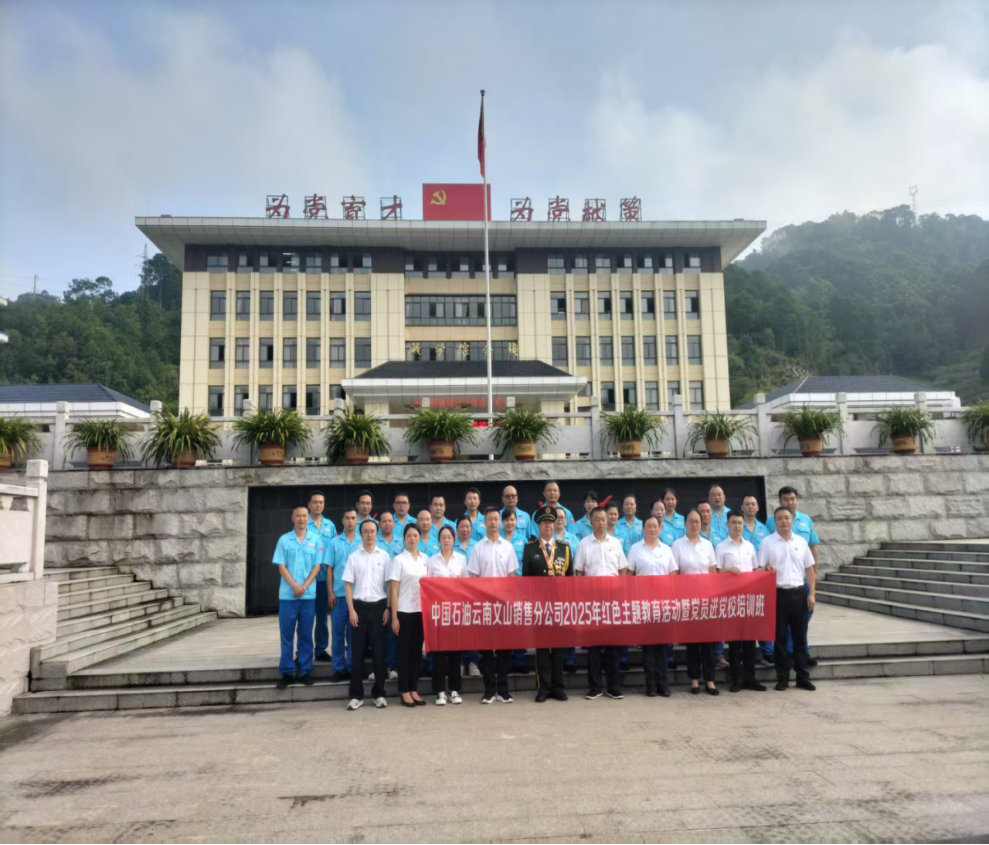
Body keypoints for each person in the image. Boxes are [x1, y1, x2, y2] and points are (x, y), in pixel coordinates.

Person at [759, 506, 817, 692]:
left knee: (800, 638)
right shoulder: (767, 543)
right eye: (780, 518)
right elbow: (759, 569)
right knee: (780, 639)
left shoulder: (801, 542)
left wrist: (812, 594)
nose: (784, 521)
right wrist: (767, 567)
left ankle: (802, 677)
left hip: (799, 593)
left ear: (792, 520)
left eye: (787, 518)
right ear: (774, 521)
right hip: (778, 594)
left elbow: (810, 570)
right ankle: (782, 678)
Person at [575, 506, 628, 701]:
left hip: (612, 600)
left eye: (603, 519)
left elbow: (622, 569)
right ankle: (595, 687)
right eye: (597, 519)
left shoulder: (615, 543)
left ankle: (614, 687)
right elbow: (579, 571)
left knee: (613, 647)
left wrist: (620, 591)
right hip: (593, 602)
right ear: (591, 522)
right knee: (594, 647)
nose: (601, 522)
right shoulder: (584, 544)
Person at [467, 506, 519, 704]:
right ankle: (489, 690)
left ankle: (503, 690)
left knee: (505, 649)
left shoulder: (508, 547)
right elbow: (475, 578)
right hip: (485, 606)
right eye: (490, 519)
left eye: (496, 519)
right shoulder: (478, 548)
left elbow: (511, 577)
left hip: (504, 605)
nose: (493, 522)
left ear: (500, 522)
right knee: (487, 650)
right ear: (484, 522)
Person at [766, 486, 820, 667]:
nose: (789, 502)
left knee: (803, 620)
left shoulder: (806, 520)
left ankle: (801, 652)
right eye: (786, 499)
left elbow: (813, 547)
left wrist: (814, 574)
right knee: (782, 625)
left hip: (802, 581)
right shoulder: (771, 521)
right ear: (780, 501)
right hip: (780, 585)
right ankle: (790, 652)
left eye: (792, 499)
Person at [522, 506, 572, 702]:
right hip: (540, 607)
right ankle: (543, 688)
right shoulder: (530, 549)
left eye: (551, 522)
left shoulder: (564, 548)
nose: (548, 525)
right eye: (545, 522)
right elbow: (526, 580)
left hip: (559, 607)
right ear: (539, 525)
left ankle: (558, 687)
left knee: (558, 649)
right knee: (542, 649)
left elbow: (570, 580)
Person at [716, 513, 767, 694]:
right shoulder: (721, 547)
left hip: (749, 599)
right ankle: (736, 679)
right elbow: (715, 573)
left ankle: (750, 678)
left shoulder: (749, 546)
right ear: (727, 525)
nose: (737, 526)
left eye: (740, 523)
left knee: (750, 641)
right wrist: (727, 571)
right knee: (734, 642)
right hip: (731, 599)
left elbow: (755, 570)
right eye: (734, 523)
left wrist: (767, 569)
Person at [273, 505, 323, 690]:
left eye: (304, 516)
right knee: (286, 636)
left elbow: (317, 567)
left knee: (306, 635)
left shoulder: (315, 539)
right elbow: (281, 567)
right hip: (288, 597)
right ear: (292, 518)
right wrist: (294, 586)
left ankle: (305, 671)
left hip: (308, 597)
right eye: (298, 516)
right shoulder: (284, 540)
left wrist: (304, 586)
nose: (301, 519)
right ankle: (286, 672)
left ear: (308, 519)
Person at [626, 516, 676, 698]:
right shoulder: (635, 549)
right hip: (644, 604)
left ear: (660, 529)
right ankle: (650, 685)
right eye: (649, 526)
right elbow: (629, 575)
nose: (652, 529)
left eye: (655, 526)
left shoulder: (667, 549)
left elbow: (673, 574)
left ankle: (663, 684)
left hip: (663, 604)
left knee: (662, 646)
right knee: (647, 646)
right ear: (643, 528)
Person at [343, 520, 391, 710]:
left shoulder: (385, 556)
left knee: (379, 654)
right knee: (357, 654)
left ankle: (379, 693)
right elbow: (348, 585)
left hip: (379, 608)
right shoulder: (354, 557)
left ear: (377, 534)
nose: (369, 534)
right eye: (366, 531)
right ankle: (356, 695)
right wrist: (351, 610)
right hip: (359, 608)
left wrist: (388, 608)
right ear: (361, 534)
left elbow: (390, 585)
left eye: (372, 531)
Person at [672, 510, 719, 696]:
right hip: (688, 601)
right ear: (685, 523)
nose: (694, 524)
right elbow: (675, 573)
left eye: (697, 521)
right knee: (692, 643)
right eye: (691, 521)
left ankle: (710, 680)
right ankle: (694, 680)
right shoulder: (677, 545)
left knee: (708, 643)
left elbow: (713, 572)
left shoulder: (707, 545)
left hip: (706, 601)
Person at [388, 523, 427, 708]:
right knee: (403, 653)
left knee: (416, 653)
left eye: (415, 535)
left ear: (419, 537)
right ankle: (404, 691)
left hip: (421, 611)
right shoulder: (398, 560)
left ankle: (414, 689)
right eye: (409, 535)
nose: (412, 538)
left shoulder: (425, 559)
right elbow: (394, 590)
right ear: (404, 538)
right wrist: (394, 616)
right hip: (404, 612)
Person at [427, 525, 467, 705]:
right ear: (439, 540)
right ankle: (440, 691)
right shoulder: (432, 561)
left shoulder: (461, 559)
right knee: (439, 653)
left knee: (455, 653)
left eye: (449, 537)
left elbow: (467, 585)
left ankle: (455, 690)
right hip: (438, 611)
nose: (446, 540)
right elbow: (427, 586)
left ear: (453, 539)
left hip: (456, 611)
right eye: (443, 537)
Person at [326, 508, 361, 682]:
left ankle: (353, 667)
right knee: (338, 633)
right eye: (347, 518)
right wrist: (330, 592)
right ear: (342, 520)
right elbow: (329, 569)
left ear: (357, 521)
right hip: (339, 595)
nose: (350, 521)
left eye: (353, 518)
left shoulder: (363, 542)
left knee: (354, 635)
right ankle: (339, 669)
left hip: (357, 596)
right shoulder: (334, 542)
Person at [740, 494, 773, 666]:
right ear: (742, 507)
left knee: (762, 615)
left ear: (758, 507)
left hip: (761, 578)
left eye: (753, 504)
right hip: (743, 580)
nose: (750, 507)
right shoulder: (738, 526)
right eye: (747, 504)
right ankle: (745, 653)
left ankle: (767, 651)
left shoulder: (763, 529)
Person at [307, 491, 337, 665]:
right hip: (307, 580)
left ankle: (320, 649)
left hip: (325, 579)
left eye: (321, 502)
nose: (318, 505)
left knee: (322, 617)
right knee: (306, 617)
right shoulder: (304, 523)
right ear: (309, 504)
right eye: (315, 502)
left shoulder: (329, 525)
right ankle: (303, 651)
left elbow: (333, 550)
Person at [500, 508, 530, 674]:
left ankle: (519, 660)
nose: (510, 523)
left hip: (519, 587)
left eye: (512, 520)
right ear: (502, 522)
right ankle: (505, 661)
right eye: (506, 520)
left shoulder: (523, 540)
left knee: (519, 623)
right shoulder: (497, 539)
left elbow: (526, 563)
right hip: (502, 589)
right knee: (504, 624)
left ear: (516, 522)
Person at [453, 515, 481, 679]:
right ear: (457, 529)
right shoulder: (451, 545)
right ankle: (460, 663)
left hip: (473, 594)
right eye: (462, 526)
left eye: (467, 526)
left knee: (472, 629)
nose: (465, 529)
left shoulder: (477, 546)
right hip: (455, 595)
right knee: (458, 630)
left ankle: (473, 662)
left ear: (471, 528)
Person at [553, 509, 580, 673]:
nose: (560, 520)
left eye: (562, 517)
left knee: (569, 623)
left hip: (570, 586)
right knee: (554, 625)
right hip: (551, 588)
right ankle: (556, 659)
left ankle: (570, 658)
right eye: (556, 517)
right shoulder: (547, 538)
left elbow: (578, 561)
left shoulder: (574, 539)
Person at [376, 510, 402, 682]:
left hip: (397, 594)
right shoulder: (374, 541)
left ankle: (391, 666)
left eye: (389, 521)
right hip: (377, 594)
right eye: (384, 521)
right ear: (379, 524)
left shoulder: (401, 542)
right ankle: (378, 668)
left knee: (393, 633)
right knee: (377, 634)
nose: (387, 524)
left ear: (394, 523)